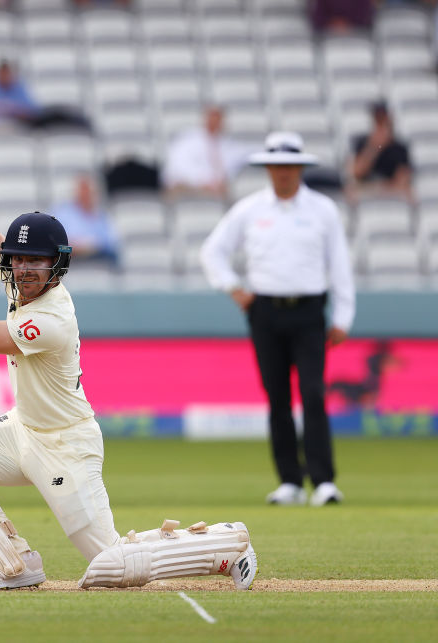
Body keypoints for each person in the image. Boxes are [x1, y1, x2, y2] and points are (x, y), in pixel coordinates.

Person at [0, 205, 258, 591]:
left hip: (65, 443)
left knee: (112, 564)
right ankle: (14, 564)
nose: (23, 269)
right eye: (17, 260)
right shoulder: (26, 283)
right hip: (21, 430)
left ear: (57, 265)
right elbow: (3, 250)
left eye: (35, 260)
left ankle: (228, 544)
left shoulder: (49, 320)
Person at [200, 131, 355, 507]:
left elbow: (340, 265)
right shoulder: (249, 209)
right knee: (277, 397)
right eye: (277, 166)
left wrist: (344, 315)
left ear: (300, 168)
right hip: (264, 311)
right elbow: (212, 252)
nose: (284, 173)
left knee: (313, 393)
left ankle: (323, 481)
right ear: (267, 168)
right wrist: (233, 287)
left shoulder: (323, 209)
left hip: (309, 311)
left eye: (291, 166)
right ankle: (290, 481)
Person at [162, 105, 253, 200]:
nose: (214, 122)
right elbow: (178, 167)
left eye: (217, 119)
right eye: (211, 118)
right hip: (188, 187)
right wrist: (203, 181)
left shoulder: (228, 145)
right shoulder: (188, 140)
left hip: (214, 190)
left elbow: (238, 160)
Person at [50, 174, 121, 269]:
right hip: (70, 257)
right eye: (83, 190)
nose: (86, 194)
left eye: (89, 191)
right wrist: (75, 248)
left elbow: (111, 244)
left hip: (97, 257)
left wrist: (90, 247)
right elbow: (55, 245)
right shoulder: (62, 212)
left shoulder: (102, 215)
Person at [347, 102, 414, 203]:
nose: (380, 124)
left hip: (391, 197)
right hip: (366, 196)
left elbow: (403, 181)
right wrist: (374, 147)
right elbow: (356, 172)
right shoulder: (363, 143)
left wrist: (379, 188)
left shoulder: (399, 148)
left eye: (383, 120)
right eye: (378, 120)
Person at [309, 0, 375, 35]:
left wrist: (348, 25)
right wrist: (333, 23)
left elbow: (366, 17)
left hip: (357, 38)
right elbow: (318, 17)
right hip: (329, 36)